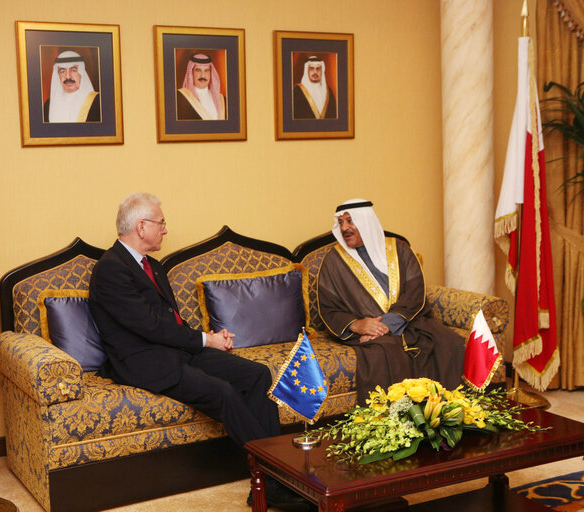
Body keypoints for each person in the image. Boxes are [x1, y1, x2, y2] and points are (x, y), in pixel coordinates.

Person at [89, 193, 312, 512]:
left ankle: (274, 478)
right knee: (223, 393)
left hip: (177, 350)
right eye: (161, 223)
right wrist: (206, 340)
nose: (165, 230)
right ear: (141, 226)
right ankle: (272, 482)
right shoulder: (111, 269)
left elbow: (171, 319)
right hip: (144, 362)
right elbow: (149, 327)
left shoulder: (150, 265)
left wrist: (208, 337)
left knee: (258, 374)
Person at [317, 199, 465, 404]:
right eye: (340, 223)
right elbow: (328, 307)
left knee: (451, 342)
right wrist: (358, 325)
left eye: (350, 221)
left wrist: (388, 324)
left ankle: (449, 413)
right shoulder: (333, 261)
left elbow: (415, 291)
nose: (344, 228)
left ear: (366, 221)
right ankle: (392, 425)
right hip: (366, 332)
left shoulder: (400, 249)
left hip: (409, 321)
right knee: (383, 354)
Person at [43, 50, 100, 123]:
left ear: (81, 72)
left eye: (73, 70)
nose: (68, 77)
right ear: (58, 75)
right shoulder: (49, 105)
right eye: (62, 71)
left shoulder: (97, 102)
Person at [176, 53, 226, 120]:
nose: (203, 75)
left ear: (211, 73)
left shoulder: (223, 100)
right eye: (198, 70)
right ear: (191, 73)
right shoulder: (180, 98)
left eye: (206, 71)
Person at [293, 56, 337, 120]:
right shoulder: (297, 91)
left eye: (318, 69)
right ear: (307, 71)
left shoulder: (329, 92)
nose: (315, 72)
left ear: (322, 71)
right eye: (311, 68)